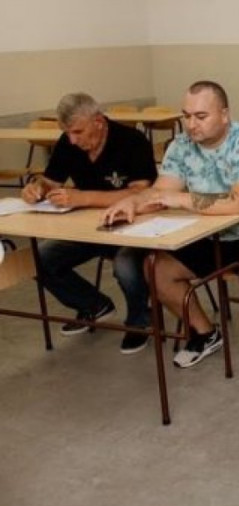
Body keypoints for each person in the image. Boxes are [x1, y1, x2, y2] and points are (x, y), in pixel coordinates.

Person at [103, 81, 239, 369]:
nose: (191, 125)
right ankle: (206, 333)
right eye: (186, 116)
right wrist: (134, 202)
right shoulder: (181, 146)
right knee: (156, 269)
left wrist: (181, 199)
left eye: (201, 116)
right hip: (210, 232)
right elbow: (161, 191)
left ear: (224, 114)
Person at [21, 92, 156, 354]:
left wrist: (83, 197)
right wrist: (37, 188)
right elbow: (51, 180)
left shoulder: (132, 141)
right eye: (67, 133)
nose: (73, 140)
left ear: (98, 122)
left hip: (132, 226)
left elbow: (141, 193)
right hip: (88, 228)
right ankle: (93, 305)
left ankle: (140, 321)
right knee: (39, 259)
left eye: (78, 132)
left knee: (126, 265)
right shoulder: (68, 143)